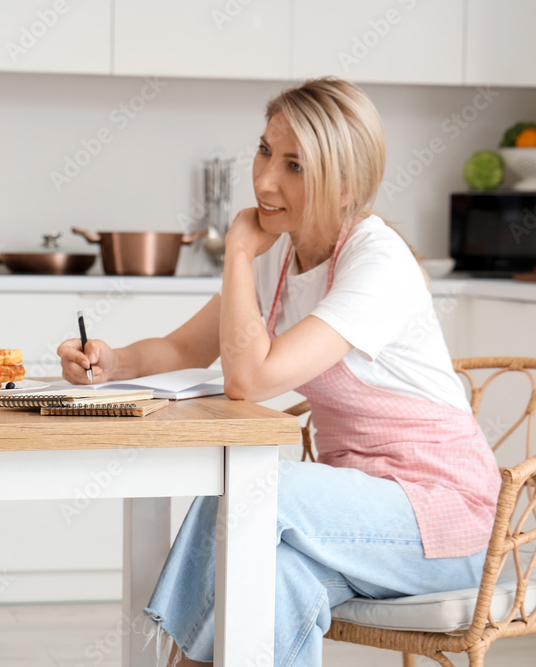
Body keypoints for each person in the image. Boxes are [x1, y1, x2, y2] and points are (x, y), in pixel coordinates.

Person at [56, 78, 500, 667]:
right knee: (271, 582)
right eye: (265, 151)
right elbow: (184, 346)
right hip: (353, 517)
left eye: (295, 165)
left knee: (259, 489)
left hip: (445, 521)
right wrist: (111, 363)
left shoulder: (377, 261)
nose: (265, 181)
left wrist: (238, 251)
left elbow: (250, 380)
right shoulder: (284, 253)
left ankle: (170, 661)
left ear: (345, 185)